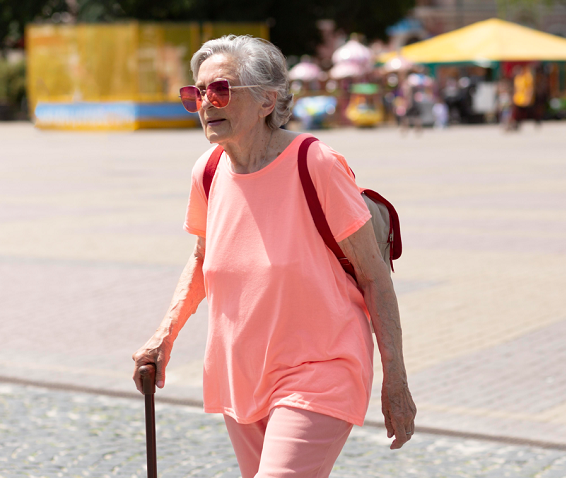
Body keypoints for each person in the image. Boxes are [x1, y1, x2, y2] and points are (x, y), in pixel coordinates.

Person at [131, 35, 416, 478]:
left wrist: (395, 380)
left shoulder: (315, 162)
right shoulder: (208, 171)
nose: (207, 103)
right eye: (197, 93)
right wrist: (164, 335)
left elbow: (374, 276)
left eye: (220, 90)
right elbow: (204, 257)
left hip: (320, 370)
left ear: (268, 100)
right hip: (240, 373)